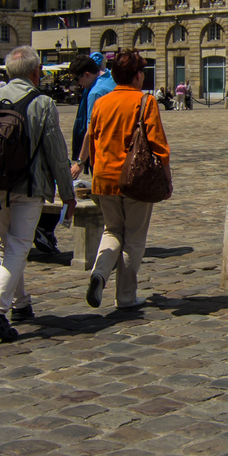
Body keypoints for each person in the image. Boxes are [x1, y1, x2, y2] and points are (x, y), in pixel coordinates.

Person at [0, 46, 74, 342]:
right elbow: (57, 154)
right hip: (29, 187)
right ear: (36, 73)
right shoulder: (43, 102)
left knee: (8, 246)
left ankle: (20, 305)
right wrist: (68, 195)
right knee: (19, 246)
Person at [77, 49, 170, 313]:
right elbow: (159, 145)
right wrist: (167, 177)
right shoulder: (145, 102)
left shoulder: (101, 102)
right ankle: (126, 297)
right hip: (135, 179)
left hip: (103, 178)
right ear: (138, 75)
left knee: (112, 230)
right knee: (134, 239)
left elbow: (92, 138)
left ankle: (100, 273)